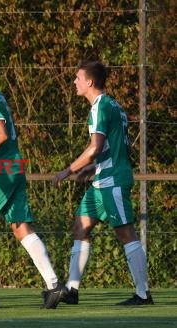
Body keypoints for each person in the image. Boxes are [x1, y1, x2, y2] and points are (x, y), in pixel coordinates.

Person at [0, 53, 65, 309]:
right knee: (21, 228)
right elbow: (3, 135)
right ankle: (54, 286)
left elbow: (2, 135)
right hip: (13, 167)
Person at [54, 60, 153, 306]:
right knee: (80, 227)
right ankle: (72, 290)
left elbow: (95, 146)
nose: (75, 82)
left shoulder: (100, 107)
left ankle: (143, 294)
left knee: (126, 233)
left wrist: (68, 170)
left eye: (78, 78)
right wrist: (92, 167)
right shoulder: (114, 106)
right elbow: (119, 146)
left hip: (113, 181)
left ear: (89, 81)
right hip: (102, 178)